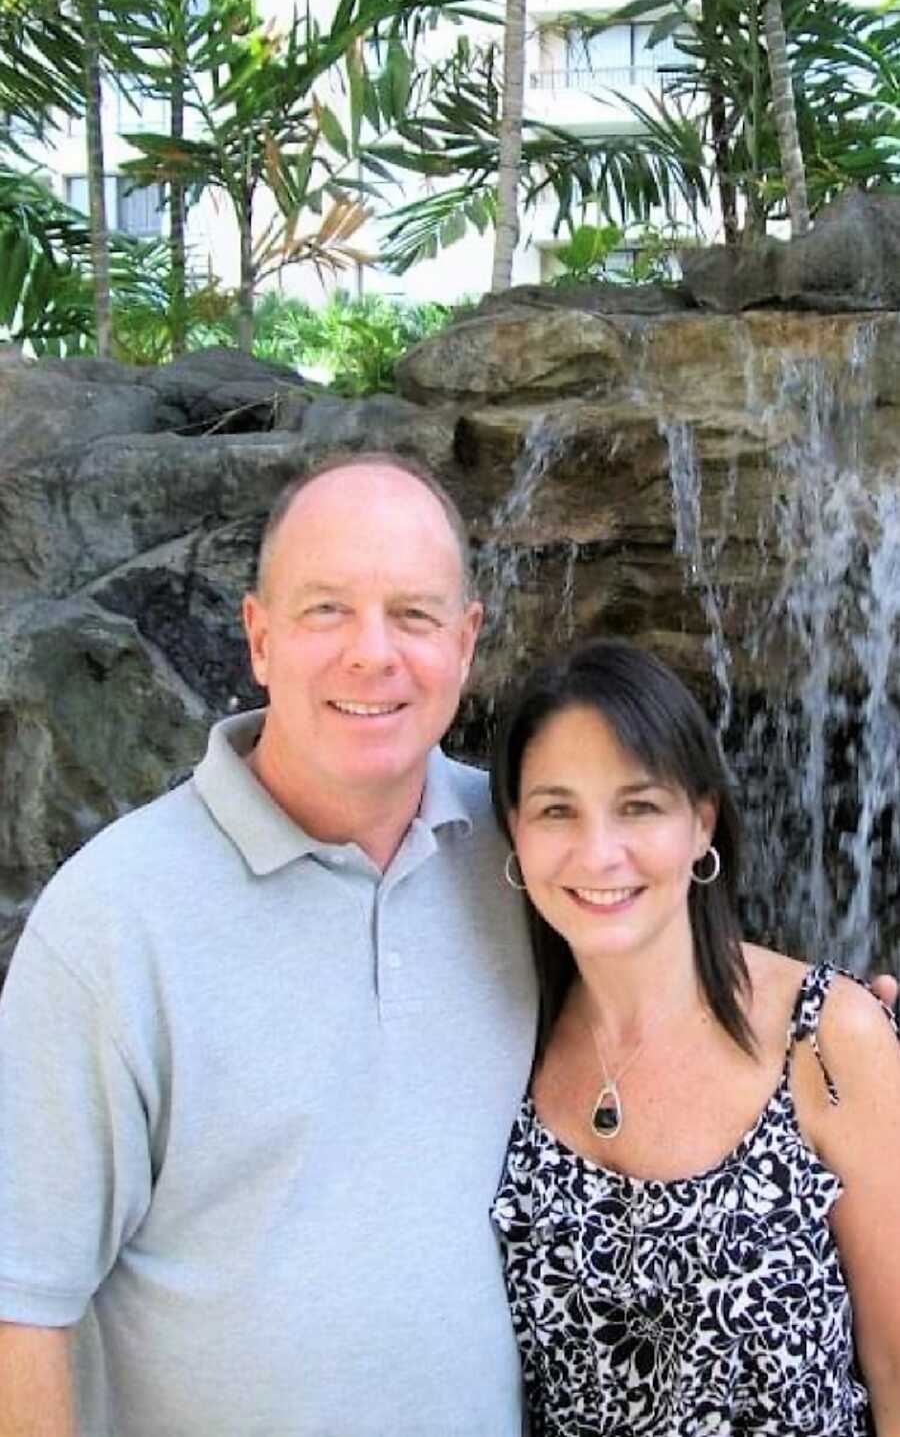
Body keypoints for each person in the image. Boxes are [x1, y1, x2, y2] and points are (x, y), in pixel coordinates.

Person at [0, 453, 538, 1437]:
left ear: (465, 644)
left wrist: (838, 1023)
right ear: (258, 636)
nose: (372, 653)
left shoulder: (534, 858)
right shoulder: (110, 920)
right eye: (325, 608)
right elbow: (18, 1306)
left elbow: (685, 1003)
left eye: (414, 614)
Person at [489, 638, 900, 1437]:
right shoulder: (502, 1040)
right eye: (556, 809)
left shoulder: (828, 1037)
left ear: (702, 821)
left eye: (638, 805)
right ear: (513, 830)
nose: (598, 852)